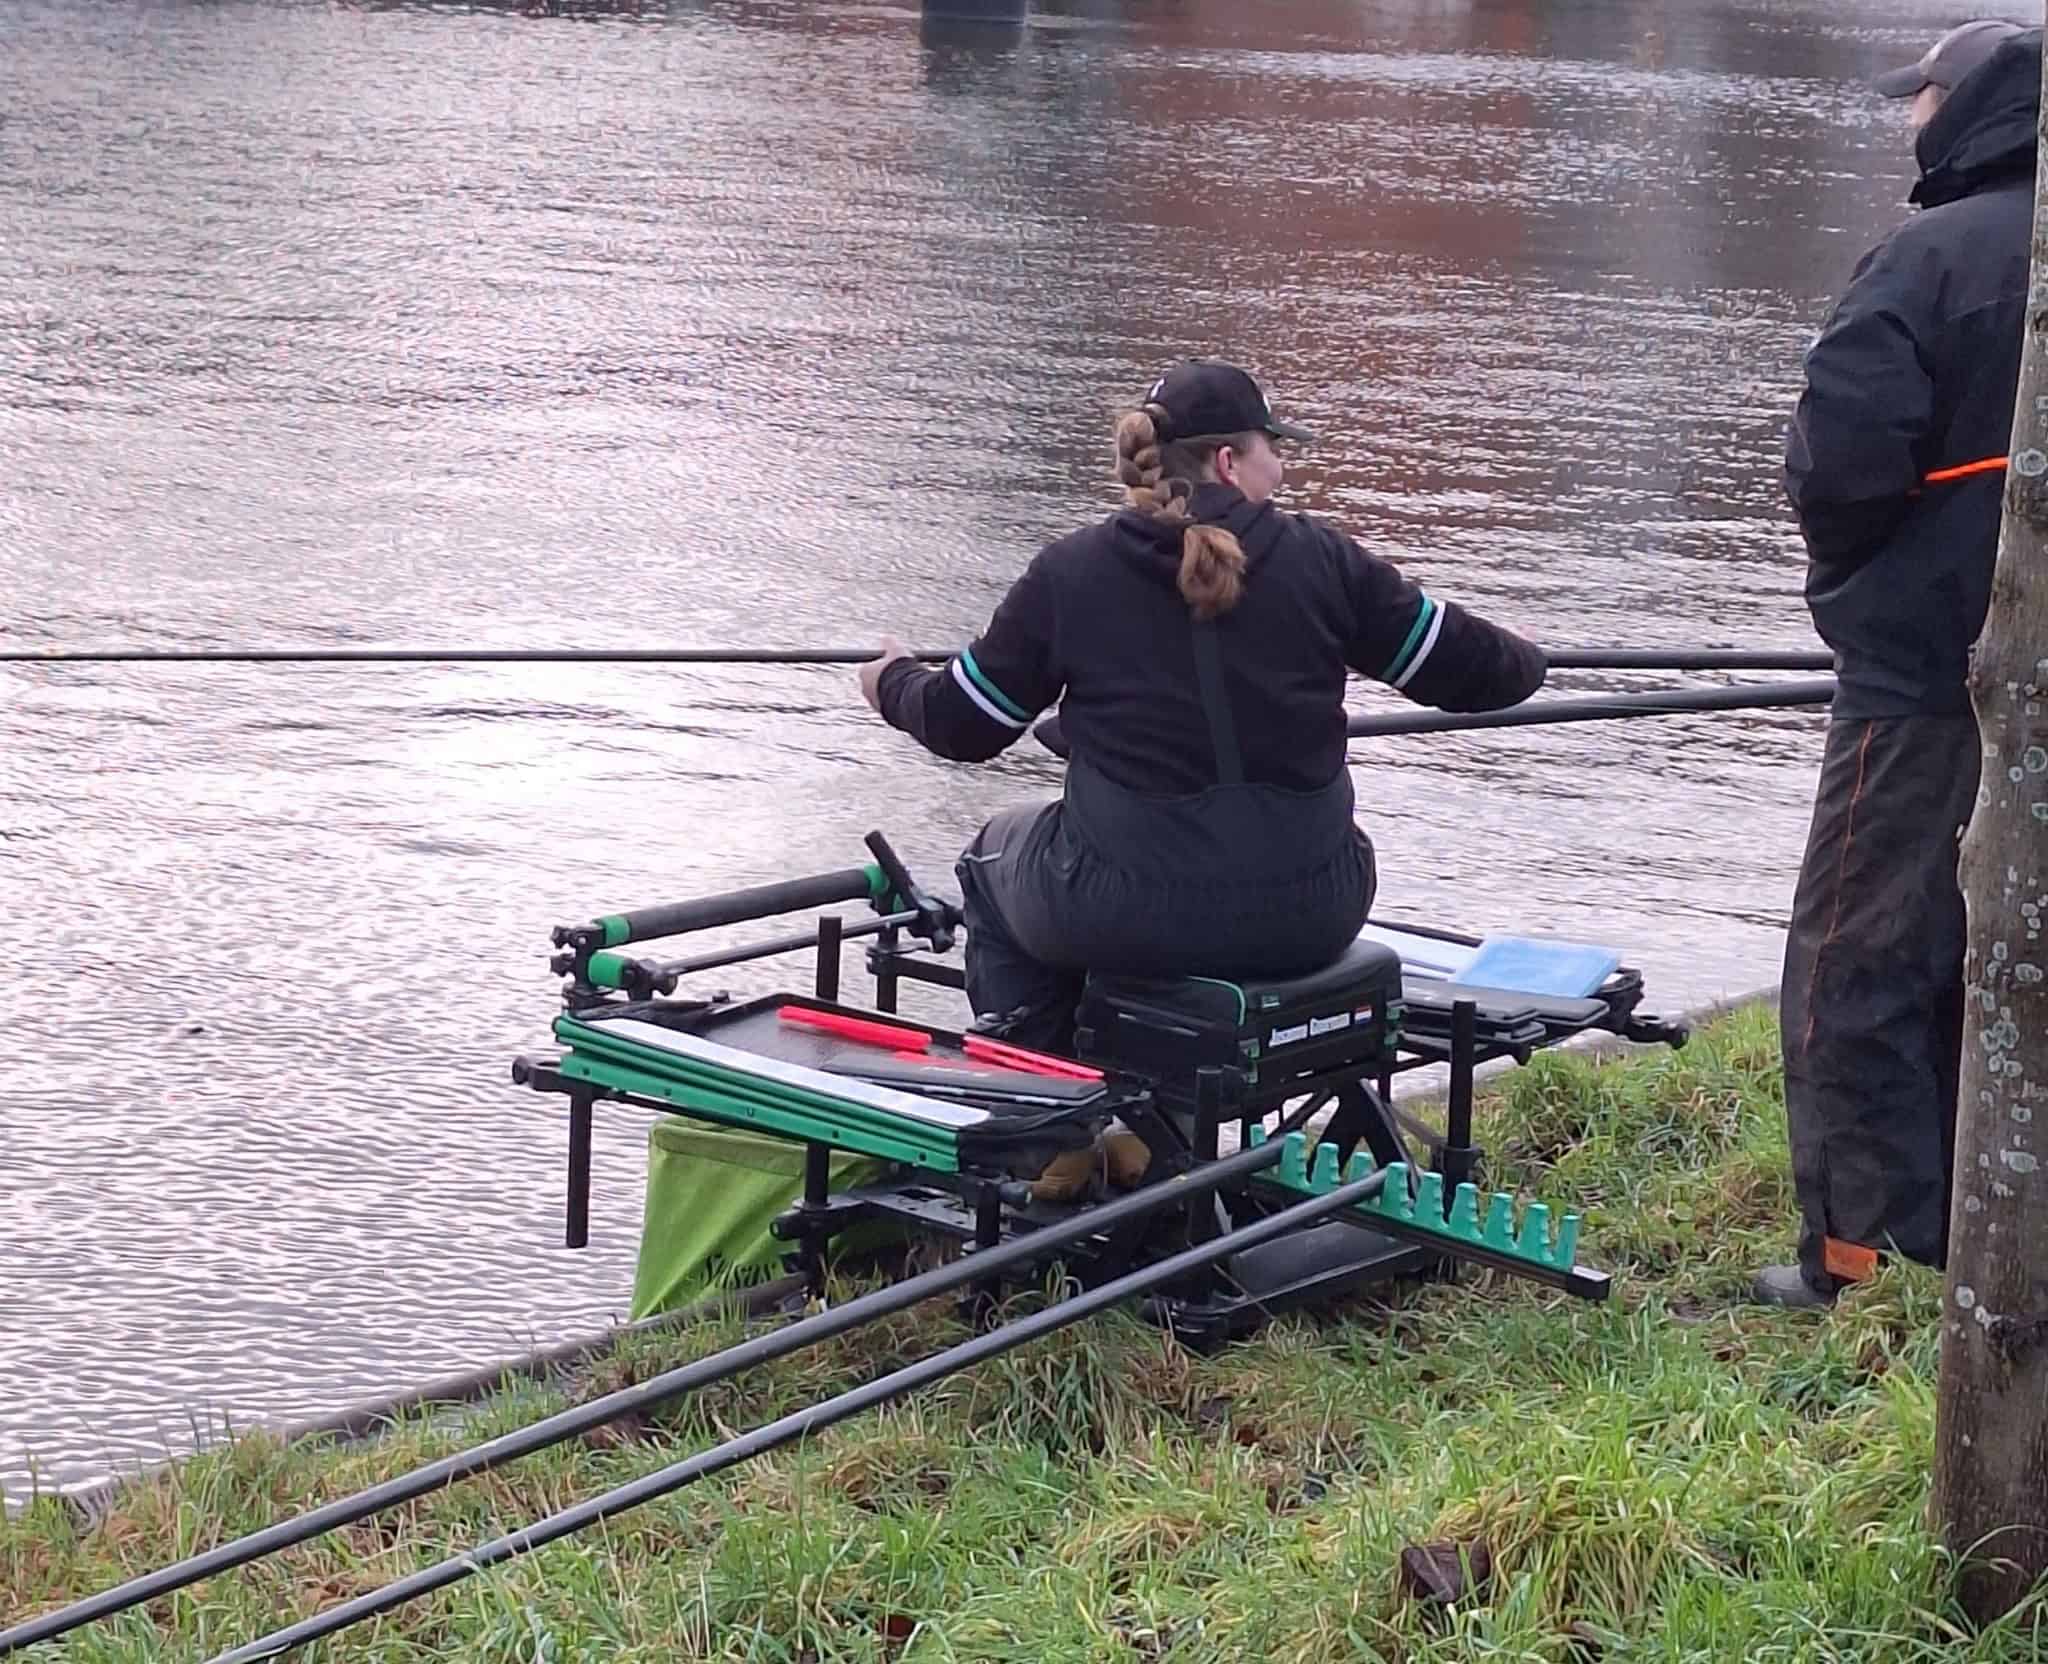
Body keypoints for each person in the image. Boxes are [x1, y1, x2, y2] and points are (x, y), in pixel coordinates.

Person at [856, 358, 1547, 1055]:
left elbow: (964, 723)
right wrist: (1529, 654)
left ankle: (1050, 1105)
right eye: (1273, 449)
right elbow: (1479, 674)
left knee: (989, 858)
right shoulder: (1325, 562)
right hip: (1315, 907)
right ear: (1228, 461)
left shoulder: (1074, 573)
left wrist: (893, 680)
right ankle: (1150, 1109)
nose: (1281, 467)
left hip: (1125, 913)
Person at [1760, 19, 2038, 1308]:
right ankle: (1988, 1240)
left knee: (1855, 958)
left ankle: (1858, 1262)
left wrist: (1868, 599)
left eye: (1916, 97)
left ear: (1971, 110)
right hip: (2021, 685)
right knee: (2003, 949)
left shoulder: (1927, 257)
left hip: (1920, 682)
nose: (1903, 118)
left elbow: (1837, 465)